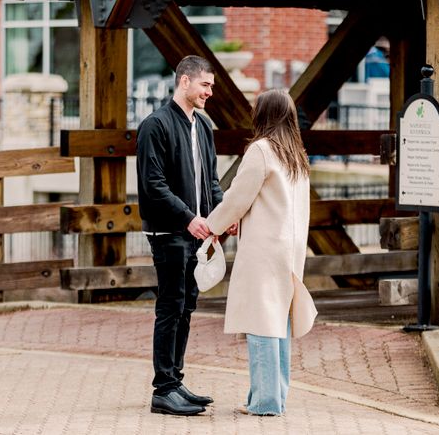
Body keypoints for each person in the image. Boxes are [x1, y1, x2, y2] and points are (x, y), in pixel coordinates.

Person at [206, 89, 318, 416]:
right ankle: (275, 396)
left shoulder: (261, 150)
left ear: (264, 115)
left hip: (265, 248)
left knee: (260, 321)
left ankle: (264, 402)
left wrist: (214, 225)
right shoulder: (297, 154)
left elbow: (239, 197)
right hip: (290, 246)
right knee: (278, 322)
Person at [136, 55, 226, 416]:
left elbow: (212, 181)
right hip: (168, 231)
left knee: (187, 305)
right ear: (184, 82)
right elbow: (152, 185)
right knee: (171, 306)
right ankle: (163, 389)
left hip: (196, 233)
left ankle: (175, 381)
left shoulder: (203, 127)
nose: (209, 92)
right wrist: (189, 218)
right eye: (205, 85)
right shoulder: (154, 126)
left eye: (212, 87)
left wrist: (222, 217)